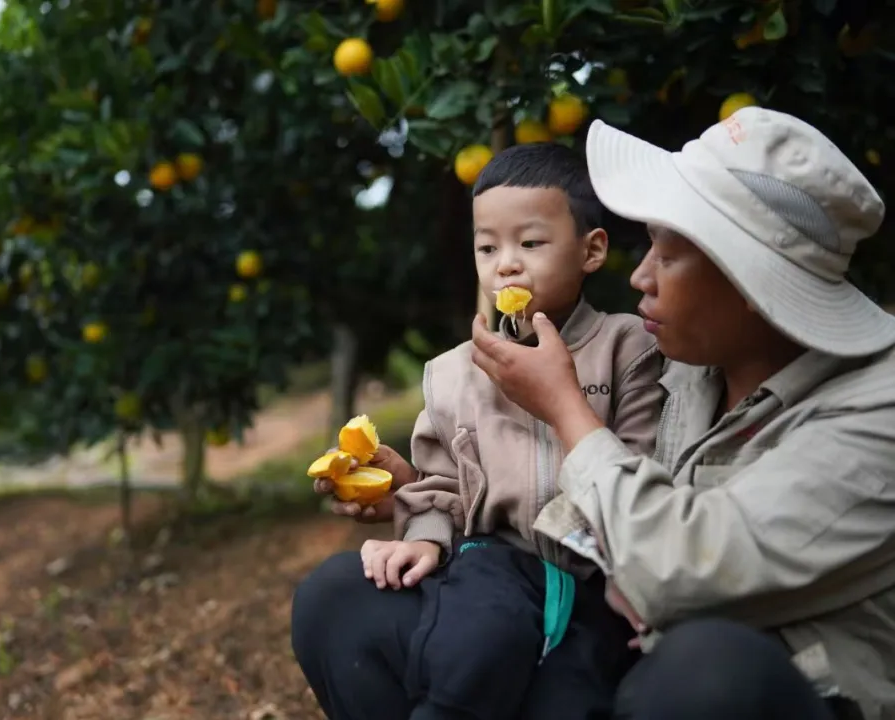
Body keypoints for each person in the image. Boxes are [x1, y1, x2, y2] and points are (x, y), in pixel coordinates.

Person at [293, 106, 895, 720]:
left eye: (668, 254)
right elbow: (501, 470)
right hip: (596, 635)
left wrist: (565, 408)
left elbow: (682, 572)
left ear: (750, 281)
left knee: (704, 673)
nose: (641, 276)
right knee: (338, 598)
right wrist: (423, 494)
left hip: (742, 683)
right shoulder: (689, 365)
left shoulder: (876, 414)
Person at [301, 142, 666, 720]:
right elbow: (441, 484)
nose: (507, 265)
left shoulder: (629, 350)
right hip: (493, 572)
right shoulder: (454, 375)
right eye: (488, 247)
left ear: (592, 250)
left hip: (595, 585)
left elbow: (642, 468)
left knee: (569, 692)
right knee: (469, 622)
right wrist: (424, 536)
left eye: (531, 243)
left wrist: (563, 399)